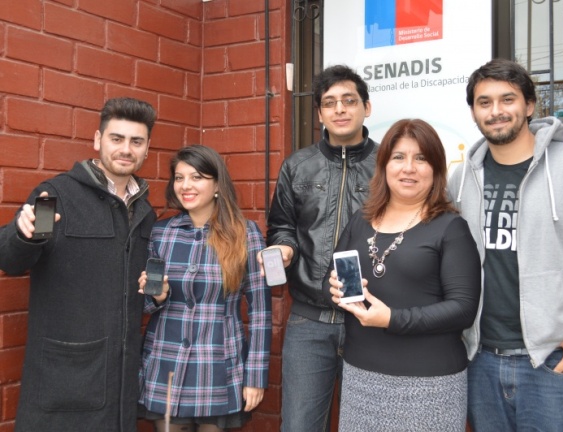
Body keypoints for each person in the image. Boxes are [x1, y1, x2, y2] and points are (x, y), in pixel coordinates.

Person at [447, 58, 563, 431]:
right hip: (480, 360)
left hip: (552, 360)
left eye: (507, 99)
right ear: (473, 111)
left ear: (530, 105)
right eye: (484, 102)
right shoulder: (461, 178)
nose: (496, 111)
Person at [0, 98, 157, 431]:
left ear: (146, 150)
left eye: (136, 141)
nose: (126, 149)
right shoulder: (54, 196)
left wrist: (158, 293)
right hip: (63, 384)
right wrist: (22, 234)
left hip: (120, 385)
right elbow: (11, 260)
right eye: (117, 138)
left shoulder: (145, 211)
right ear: (98, 140)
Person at [325, 118, 481, 431]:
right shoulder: (361, 220)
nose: (408, 168)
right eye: (398, 157)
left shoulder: (450, 228)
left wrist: (393, 319)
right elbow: (335, 275)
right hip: (360, 377)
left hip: (429, 384)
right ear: (383, 166)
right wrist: (335, 287)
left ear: (436, 169)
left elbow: (462, 309)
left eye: (420, 158)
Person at [262, 64, 379, 431]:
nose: (340, 109)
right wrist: (283, 248)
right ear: (320, 114)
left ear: (367, 108)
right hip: (309, 322)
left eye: (349, 100)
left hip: (372, 323)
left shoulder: (387, 165)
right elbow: (281, 225)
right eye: (330, 103)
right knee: (299, 426)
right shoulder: (298, 165)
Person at [138, 145, 272, 432]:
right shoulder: (160, 233)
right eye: (179, 177)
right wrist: (156, 297)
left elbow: (261, 313)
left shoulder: (245, 233)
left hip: (219, 364)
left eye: (196, 177)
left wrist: (255, 376)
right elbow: (144, 305)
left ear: (216, 185)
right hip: (166, 361)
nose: (186, 185)